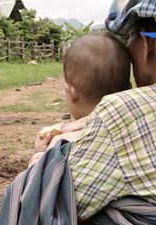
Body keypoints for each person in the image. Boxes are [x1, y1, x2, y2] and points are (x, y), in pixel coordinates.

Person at [0, 0, 156, 224]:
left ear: (148, 44)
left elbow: (46, 200)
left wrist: (46, 158)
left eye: (130, 38)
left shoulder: (120, 109)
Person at [28, 33, 132, 167]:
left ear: (71, 93)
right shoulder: (133, 130)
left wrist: (40, 156)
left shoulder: (62, 144)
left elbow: (40, 183)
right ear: (128, 90)